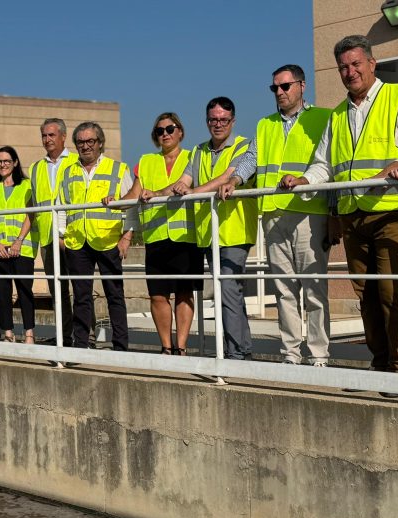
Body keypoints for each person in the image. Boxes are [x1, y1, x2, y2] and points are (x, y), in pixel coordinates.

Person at [281, 35, 398, 377]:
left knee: (394, 292)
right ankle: (380, 363)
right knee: (367, 295)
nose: (350, 72)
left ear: (372, 64)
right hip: (353, 214)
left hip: (394, 209)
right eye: (343, 67)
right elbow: (324, 164)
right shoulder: (338, 115)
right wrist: (305, 180)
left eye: (355, 64)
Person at [254, 64, 333, 366]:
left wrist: (334, 212)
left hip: (309, 213)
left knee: (313, 288)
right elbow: (251, 159)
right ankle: (290, 354)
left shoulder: (323, 118)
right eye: (274, 87)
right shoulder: (265, 124)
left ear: (302, 86)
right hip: (273, 214)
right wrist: (234, 180)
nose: (279, 92)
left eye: (285, 86)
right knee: (284, 290)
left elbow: (331, 166)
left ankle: (319, 356)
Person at [167, 97, 257, 360]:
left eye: (223, 120)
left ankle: (236, 355)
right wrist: (166, 190)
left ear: (233, 121)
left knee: (228, 290)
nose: (218, 124)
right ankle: (242, 350)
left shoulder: (243, 146)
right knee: (229, 292)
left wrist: (193, 190)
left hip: (235, 231)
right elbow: (183, 180)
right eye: (213, 120)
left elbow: (226, 178)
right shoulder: (198, 151)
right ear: (207, 121)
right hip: (209, 233)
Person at [105, 112, 197, 355]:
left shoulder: (194, 157)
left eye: (170, 128)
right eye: (160, 131)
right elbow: (133, 196)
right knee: (157, 295)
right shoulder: (146, 161)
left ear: (180, 131)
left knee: (185, 294)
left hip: (186, 237)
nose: (165, 134)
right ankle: (166, 347)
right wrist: (114, 202)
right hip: (156, 237)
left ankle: (182, 347)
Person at [58, 122, 135, 351]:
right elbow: (61, 206)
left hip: (108, 240)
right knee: (81, 297)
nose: (85, 146)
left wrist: (126, 237)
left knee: (115, 295)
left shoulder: (118, 169)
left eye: (90, 141)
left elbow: (131, 206)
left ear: (100, 143)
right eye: (80, 142)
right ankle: (81, 345)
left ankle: (121, 347)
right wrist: (62, 236)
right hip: (77, 242)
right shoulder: (68, 171)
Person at [30, 118, 78, 346]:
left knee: (81, 289)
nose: (47, 140)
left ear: (63, 136)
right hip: (47, 237)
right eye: (44, 136)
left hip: (74, 236)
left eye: (51, 135)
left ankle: (83, 336)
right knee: (57, 290)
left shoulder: (77, 161)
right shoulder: (36, 167)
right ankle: (64, 336)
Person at [0, 147, 37, 344]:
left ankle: (29, 334)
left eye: (6, 161)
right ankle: (8, 333)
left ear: (15, 162)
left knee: (25, 292)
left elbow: (30, 215)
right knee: (2, 293)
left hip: (21, 248)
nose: (2, 164)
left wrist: (19, 241)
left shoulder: (26, 185)